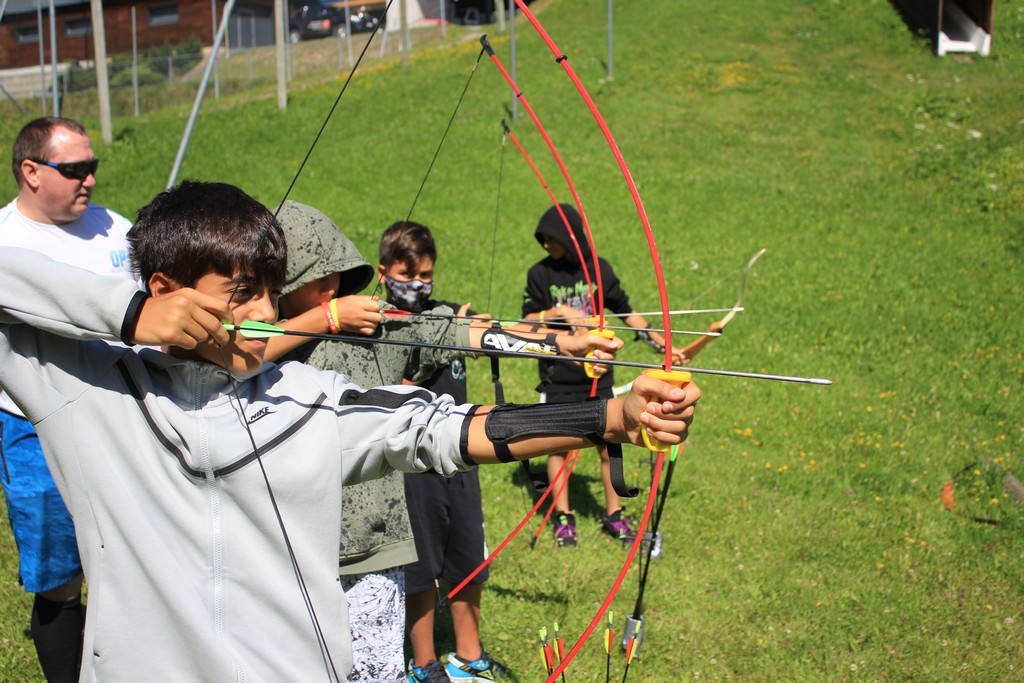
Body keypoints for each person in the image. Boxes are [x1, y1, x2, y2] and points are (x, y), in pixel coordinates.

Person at [0, 180, 698, 681]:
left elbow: (447, 429)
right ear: (164, 291)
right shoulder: (82, 389)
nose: (266, 312)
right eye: (243, 293)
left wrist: (614, 417)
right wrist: (129, 316)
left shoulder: (306, 399)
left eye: (272, 289)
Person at [264, 206, 626, 682]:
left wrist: (559, 345)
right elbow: (236, 351)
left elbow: (460, 332)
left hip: (375, 545)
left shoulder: (372, 328)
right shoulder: (254, 346)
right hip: (298, 547)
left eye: (337, 276)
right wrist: (323, 317)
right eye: (316, 279)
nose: (331, 287)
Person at [0, 116, 133, 681]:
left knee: (129, 561)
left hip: (123, 417)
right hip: (36, 430)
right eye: (75, 169)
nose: (90, 180)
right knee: (61, 580)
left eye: (92, 167)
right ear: (31, 172)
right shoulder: (5, 243)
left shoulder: (115, 230)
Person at [376, 223, 501, 683]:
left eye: (425, 275)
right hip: (412, 463)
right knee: (420, 565)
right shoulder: (375, 326)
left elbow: (489, 333)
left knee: (469, 554)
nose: (417, 284)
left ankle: (469, 656)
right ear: (383, 273)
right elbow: (389, 385)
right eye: (406, 275)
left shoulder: (445, 316)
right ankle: (424, 663)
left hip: (461, 457)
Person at [522, 203, 684, 548]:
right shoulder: (539, 274)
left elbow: (627, 311)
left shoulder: (599, 269)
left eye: (552, 238)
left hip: (598, 373)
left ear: (570, 237)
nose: (546, 244)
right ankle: (563, 518)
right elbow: (525, 322)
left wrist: (662, 344)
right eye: (543, 239)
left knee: (610, 446)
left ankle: (614, 514)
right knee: (557, 446)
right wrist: (559, 311)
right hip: (558, 374)